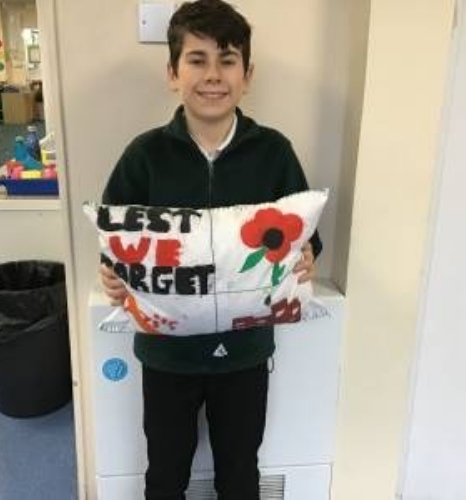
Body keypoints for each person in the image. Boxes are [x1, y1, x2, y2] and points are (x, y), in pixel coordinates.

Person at [100, 1, 322, 498]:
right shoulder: (145, 156)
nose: (213, 75)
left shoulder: (274, 153)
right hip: (167, 355)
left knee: (240, 471)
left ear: (248, 75)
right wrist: (113, 273)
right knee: (165, 471)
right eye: (197, 60)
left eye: (227, 60)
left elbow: (303, 239)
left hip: (244, 354)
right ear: (172, 73)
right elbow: (117, 243)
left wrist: (306, 258)